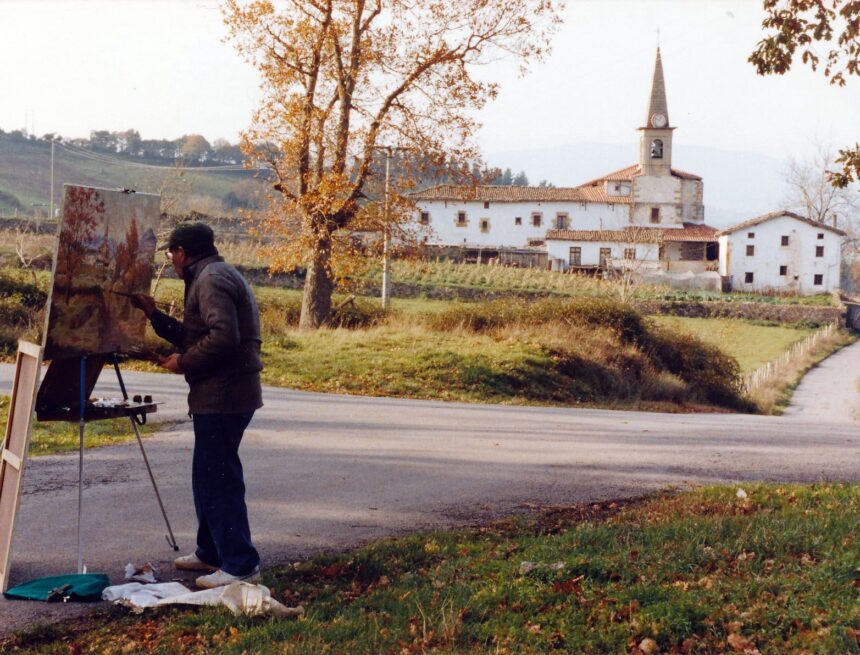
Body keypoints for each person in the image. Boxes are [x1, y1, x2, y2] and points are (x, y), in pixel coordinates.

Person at [132, 222, 263, 589]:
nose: (170, 261)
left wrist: (183, 362)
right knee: (206, 474)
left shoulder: (210, 280)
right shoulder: (211, 274)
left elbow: (224, 338)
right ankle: (211, 551)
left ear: (182, 253)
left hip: (225, 395)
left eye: (171, 254)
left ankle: (240, 564)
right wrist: (153, 316)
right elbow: (197, 335)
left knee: (218, 478)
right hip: (221, 393)